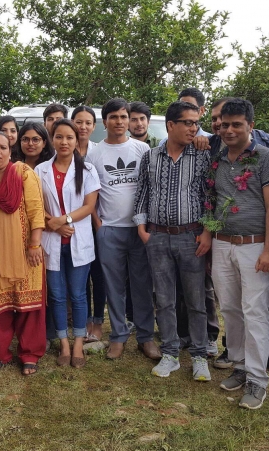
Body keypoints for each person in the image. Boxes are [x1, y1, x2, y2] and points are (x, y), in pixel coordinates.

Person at [210, 99, 269, 410]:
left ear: (251, 126)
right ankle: (239, 366)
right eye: (224, 124)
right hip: (222, 244)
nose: (229, 130)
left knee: (255, 312)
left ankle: (257, 379)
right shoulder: (217, 159)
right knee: (230, 308)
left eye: (236, 124)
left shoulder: (266, 158)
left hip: (255, 245)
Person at [134, 101, 212, 379]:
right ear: (170, 125)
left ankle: (200, 356)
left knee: (196, 300)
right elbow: (142, 193)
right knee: (164, 299)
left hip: (191, 237)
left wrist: (207, 232)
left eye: (196, 123)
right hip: (157, 237)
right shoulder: (150, 157)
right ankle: (170, 353)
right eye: (188, 123)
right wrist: (142, 228)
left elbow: (211, 196)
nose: (194, 128)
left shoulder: (202, 155)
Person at [86, 98, 160, 361]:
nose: (119, 121)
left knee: (142, 285)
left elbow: (151, 188)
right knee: (114, 286)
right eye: (114, 117)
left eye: (123, 116)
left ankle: (146, 337)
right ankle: (118, 336)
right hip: (109, 230)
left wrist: (147, 225)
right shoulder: (94, 154)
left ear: (129, 120)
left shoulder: (142, 149)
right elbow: (90, 194)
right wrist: (98, 224)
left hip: (139, 230)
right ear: (104, 122)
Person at [0, 132, 46, 375]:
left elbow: (36, 209)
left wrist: (35, 244)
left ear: (10, 150)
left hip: (25, 250)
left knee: (28, 304)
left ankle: (30, 354)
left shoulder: (23, 172)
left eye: (3, 147)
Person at [36, 119, 100, 369]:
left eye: (69, 137)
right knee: (57, 295)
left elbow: (89, 206)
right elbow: (35, 205)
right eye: (59, 137)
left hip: (77, 238)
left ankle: (78, 343)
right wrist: (54, 225)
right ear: (52, 139)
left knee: (79, 294)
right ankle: (63, 343)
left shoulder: (88, 170)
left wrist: (64, 220)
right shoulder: (40, 170)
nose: (64, 142)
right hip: (51, 240)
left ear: (77, 140)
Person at [71, 106, 104, 341]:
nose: (83, 127)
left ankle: (98, 322)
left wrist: (97, 220)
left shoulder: (98, 152)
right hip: (72, 222)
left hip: (98, 221)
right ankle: (83, 322)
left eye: (88, 123)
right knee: (80, 276)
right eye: (78, 122)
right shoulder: (63, 149)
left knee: (98, 274)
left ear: (94, 126)